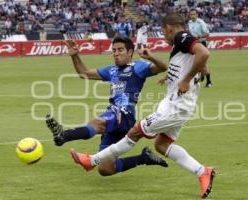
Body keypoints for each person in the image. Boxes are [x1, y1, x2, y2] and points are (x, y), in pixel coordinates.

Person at [70, 13, 216, 198]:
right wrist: (173, 77)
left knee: (135, 133)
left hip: (177, 105)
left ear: (169, 27)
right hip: (175, 103)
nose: (164, 36)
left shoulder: (181, 37)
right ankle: (203, 172)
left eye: (163, 32)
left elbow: (204, 53)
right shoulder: (182, 45)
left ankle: (91, 161)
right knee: (162, 145)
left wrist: (185, 80)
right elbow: (200, 64)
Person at [46, 37, 168, 176]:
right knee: (105, 169)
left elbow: (162, 67)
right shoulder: (111, 70)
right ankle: (143, 157)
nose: (116, 53)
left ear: (130, 52)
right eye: (114, 50)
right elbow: (84, 74)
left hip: (124, 113)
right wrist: (75, 55)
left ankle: (65, 135)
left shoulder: (138, 67)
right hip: (115, 116)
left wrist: (151, 57)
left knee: (98, 123)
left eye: (120, 50)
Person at [188, 8, 213, 88]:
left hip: (201, 44)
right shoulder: (189, 22)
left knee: (203, 64)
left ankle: (209, 81)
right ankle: (199, 77)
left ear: (197, 15)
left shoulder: (201, 22)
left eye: (194, 14)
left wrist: (198, 37)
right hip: (193, 44)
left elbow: (207, 34)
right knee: (194, 63)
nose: (192, 16)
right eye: (191, 14)